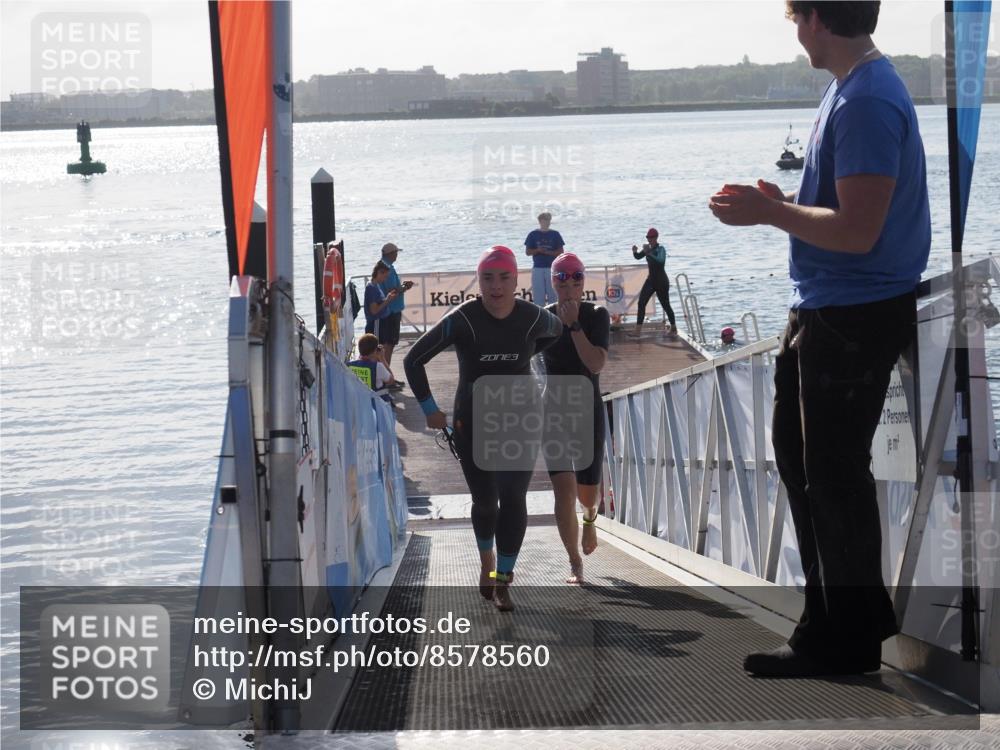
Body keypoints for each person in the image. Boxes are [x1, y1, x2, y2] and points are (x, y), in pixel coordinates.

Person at [708, 0, 929, 678]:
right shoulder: (850, 90)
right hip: (829, 308)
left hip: (854, 312)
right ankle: (829, 625)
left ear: (817, 19)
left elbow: (859, 231)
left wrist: (771, 213)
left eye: (795, 18)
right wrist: (783, 201)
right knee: (807, 468)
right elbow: (844, 212)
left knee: (833, 474)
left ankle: (850, 637)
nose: (794, 32)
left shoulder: (865, 100)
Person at [404, 246, 563, 611]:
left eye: (504, 277)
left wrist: (527, 354)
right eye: (488, 278)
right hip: (472, 419)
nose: (496, 286)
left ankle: (504, 580)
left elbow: (555, 332)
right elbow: (413, 359)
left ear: (516, 280)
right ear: (479, 280)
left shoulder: (532, 317)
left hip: (520, 418)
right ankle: (487, 559)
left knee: (513, 498)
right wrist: (429, 408)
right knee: (485, 501)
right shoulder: (463, 319)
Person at [542, 253, 610, 584]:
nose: (569, 285)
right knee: (562, 492)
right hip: (553, 410)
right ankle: (574, 562)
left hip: (587, 408)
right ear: (553, 282)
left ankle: (590, 520)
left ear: (583, 282)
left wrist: (574, 327)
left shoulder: (596, 315)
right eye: (562, 278)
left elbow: (595, 364)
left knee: (587, 492)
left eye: (576, 278)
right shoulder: (541, 319)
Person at [629, 227, 677, 338]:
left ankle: (673, 327)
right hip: (650, 280)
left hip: (661, 281)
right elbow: (638, 257)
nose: (649, 239)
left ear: (656, 237)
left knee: (666, 305)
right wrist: (634, 251)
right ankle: (637, 331)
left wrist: (648, 253)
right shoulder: (648, 248)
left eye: (651, 237)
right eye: (647, 237)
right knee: (641, 303)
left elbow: (660, 262)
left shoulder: (661, 249)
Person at [378, 242, 415, 377]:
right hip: (391, 310)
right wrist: (405, 287)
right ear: (391, 254)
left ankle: (385, 374)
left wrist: (402, 287)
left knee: (387, 343)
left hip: (388, 310)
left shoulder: (384, 266)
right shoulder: (387, 268)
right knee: (389, 343)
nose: (397, 255)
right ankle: (387, 376)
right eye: (396, 253)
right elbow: (392, 290)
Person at [524, 212, 564, 306]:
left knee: (553, 296)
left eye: (548, 220)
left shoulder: (555, 234)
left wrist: (548, 252)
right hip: (538, 268)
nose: (547, 222)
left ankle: (554, 317)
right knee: (538, 296)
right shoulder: (533, 234)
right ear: (540, 221)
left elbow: (561, 252)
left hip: (552, 268)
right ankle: (540, 317)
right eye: (545, 220)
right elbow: (528, 252)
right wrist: (538, 250)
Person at [348, 333, 397, 404]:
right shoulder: (378, 366)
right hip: (376, 405)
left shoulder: (350, 365)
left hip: (358, 404)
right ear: (375, 351)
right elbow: (391, 381)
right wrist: (382, 358)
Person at [364, 261, 398, 345]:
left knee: (380, 348)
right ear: (379, 272)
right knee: (376, 348)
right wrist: (387, 300)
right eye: (385, 276)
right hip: (376, 323)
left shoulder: (376, 285)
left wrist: (388, 298)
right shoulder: (371, 288)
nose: (385, 279)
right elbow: (374, 310)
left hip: (380, 323)